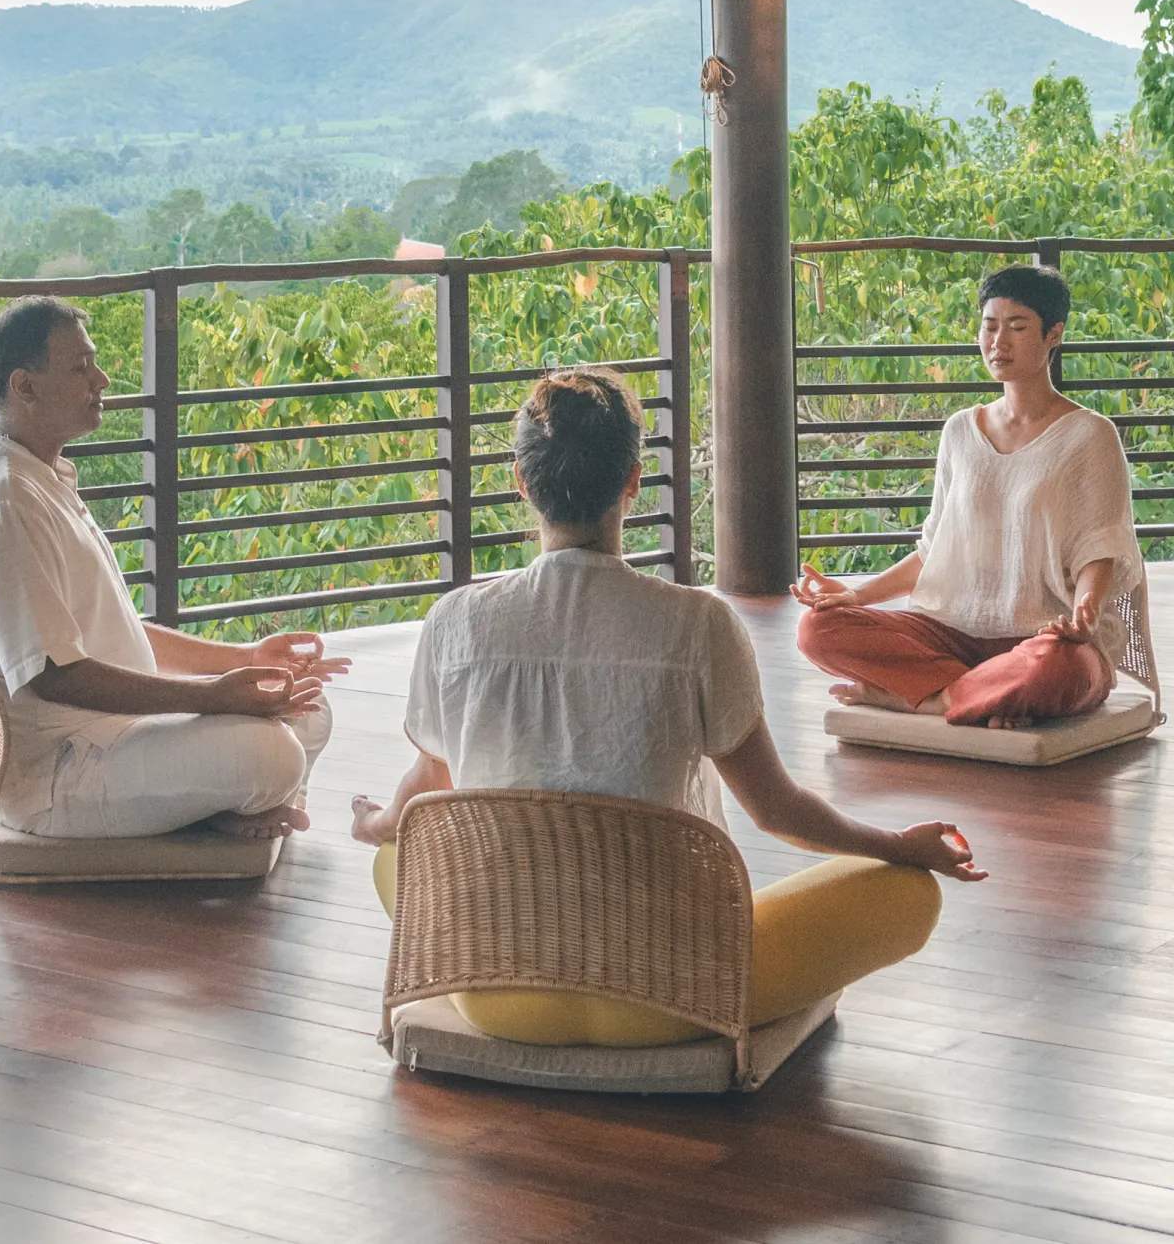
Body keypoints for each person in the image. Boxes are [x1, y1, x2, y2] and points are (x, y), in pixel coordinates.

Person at [351, 365, 981, 1047]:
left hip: (497, 988)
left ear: (522, 484)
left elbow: (424, 791)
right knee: (910, 892)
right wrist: (898, 845)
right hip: (675, 996)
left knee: (395, 855)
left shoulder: (454, 622)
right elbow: (777, 811)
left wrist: (376, 822)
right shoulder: (697, 625)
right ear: (632, 481)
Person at [0, 296, 345, 842]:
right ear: (24, 387)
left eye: (94, 362)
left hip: (116, 736)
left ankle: (221, 807)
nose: (101, 379)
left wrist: (243, 660)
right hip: (62, 774)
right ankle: (226, 806)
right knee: (273, 754)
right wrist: (210, 695)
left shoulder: (40, 477)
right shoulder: (6, 501)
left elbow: (109, 633)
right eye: (80, 368)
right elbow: (54, 674)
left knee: (306, 708)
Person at [792, 263, 1143, 729]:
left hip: (1042, 637)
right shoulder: (960, 430)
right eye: (989, 325)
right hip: (950, 634)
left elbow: (1100, 551)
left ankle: (927, 698)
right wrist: (857, 596)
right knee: (818, 630)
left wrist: (1084, 616)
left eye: (1017, 327)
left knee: (1061, 669)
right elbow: (932, 553)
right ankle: (985, 693)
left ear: (1053, 335)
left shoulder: (1090, 436)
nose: (999, 342)